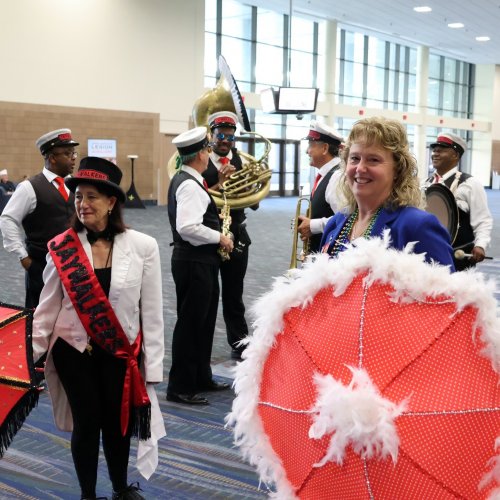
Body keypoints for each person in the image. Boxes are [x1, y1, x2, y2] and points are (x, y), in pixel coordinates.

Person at [321, 117, 455, 269]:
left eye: (373, 160)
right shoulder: (335, 223)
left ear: (398, 169)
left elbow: (446, 291)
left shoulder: (417, 227)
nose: (360, 168)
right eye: (355, 158)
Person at [167, 127, 234, 405]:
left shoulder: (189, 180)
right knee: (191, 324)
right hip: (194, 262)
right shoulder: (189, 185)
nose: (210, 153)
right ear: (200, 155)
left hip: (199, 262)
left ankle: (200, 376)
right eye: (207, 149)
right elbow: (187, 227)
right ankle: (180, 386)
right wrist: (220, 237)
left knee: (204, 322)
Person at [0, 129, 78, 308]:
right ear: (52, 158)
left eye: (73, 153)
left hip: (74, 266)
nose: (73, 157)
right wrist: (23, 257)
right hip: (41, 266)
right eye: (67, 153)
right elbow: (8, 219)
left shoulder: (74, 185)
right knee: (39, 321)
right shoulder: (29, 188)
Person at [203, 110, 255, 360]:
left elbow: (253, 202)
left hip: (237, 232)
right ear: (211, 135)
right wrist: (220, 185)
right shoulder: (201, 159)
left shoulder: (243, 161)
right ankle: (201, 350)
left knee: (234, 292)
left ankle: (239, 341)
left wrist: (244, 184)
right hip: (209, 233)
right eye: (220, 135)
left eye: (230, 137)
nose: (225, 141)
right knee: (209, 294)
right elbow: (196, 197)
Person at [423, 132, 492, 271]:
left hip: (457, 257)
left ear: (455, 155)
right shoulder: (424, 184)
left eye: (441, 150)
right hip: (427, 254)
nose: (435, 154)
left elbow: (483, 220)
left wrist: (480, 245)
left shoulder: (470, 184)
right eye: (434, 150)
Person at [297, 121, 344, 253]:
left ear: (324, 148)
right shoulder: (327, 173)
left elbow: (345, 218)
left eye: (310, 145)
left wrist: (313, 225)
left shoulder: (337, 176)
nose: (307, 151)